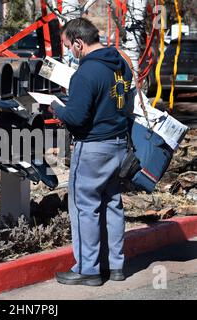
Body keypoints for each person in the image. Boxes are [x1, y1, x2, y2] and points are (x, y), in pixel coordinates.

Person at [49, 17, 133, 286]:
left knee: (84, 207)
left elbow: (75, 117)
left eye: (68, 46)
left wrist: (56, 108)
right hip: (119, 145)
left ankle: (88, 269)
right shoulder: (121, 66)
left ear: (79, 43)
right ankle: (116, 266)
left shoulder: (85, 73)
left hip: (93, 148)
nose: (69, 53)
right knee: (112, 205)